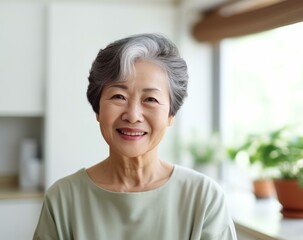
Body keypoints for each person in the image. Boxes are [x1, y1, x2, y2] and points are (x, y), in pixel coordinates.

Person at [33, 33, 237, 240]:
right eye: (118, 96)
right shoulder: (63, 198)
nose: (132, 115)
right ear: (98, 109)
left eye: (150, 99)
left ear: (171, 114)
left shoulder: (203, 197)